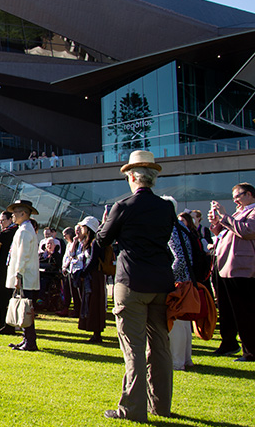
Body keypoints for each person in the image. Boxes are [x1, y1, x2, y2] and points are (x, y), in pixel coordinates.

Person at [97, 150, 175, 422]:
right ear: (153, 178)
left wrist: (107, 222)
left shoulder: (124, 206)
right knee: (160, 346)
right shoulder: (166, 207)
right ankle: (160, 405)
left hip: (132, 280)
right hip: (161, 281)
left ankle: (132, 408)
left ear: (132, 177)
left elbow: (102, 240)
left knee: (133, 348)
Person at [208, 182, 255, 362]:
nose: (235, 200)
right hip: (225, 266)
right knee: (227, 309)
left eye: (238, 196)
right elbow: (225, 232)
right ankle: (229, 343)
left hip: (242, 267)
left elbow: (247, 231)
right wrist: (216, 223)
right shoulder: (238, 212)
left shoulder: (253, 212)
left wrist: (224, 216)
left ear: (249, 194)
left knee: (244, 311)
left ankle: (251, 351)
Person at [6, 200, 40, 351]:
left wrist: (18, 275)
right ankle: (27, 338)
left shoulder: (25, 230)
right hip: (25, 275)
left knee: (26, 308)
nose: (12, 216)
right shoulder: (24, 229)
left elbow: (23, 255)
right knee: (24, 308)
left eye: (15, 213)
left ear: (23, 214)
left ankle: (30, 341)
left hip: (25, 276)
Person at [164, 204, 196, 370]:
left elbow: (180, 258)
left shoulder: (171, 229)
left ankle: (177, 361)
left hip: (178, 282)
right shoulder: (182, 227)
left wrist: (169, 277)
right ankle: (186, 358)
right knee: (183, 323)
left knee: (176, 321)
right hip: (187, 279)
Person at [73, 216, 109, 343]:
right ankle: (95, 332)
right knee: (91, 302)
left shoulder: (95, 242)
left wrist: (83, 273)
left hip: (94, 277)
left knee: (94, 303)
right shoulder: (93, 242)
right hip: (93, 276)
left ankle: (96, 333)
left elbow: (93, 261)